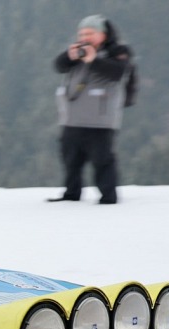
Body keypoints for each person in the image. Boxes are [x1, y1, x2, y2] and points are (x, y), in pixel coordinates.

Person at [49, 15, 133, 205]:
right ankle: (71, 194)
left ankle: (108, 198)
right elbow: (58, 66)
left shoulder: (117, 51)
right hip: (71, 119)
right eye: (81, 34)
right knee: (70, 160)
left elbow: (117, 72)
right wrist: (69, 56)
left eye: (89, 33)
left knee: (102, 161)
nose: (84, 37)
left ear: (103, 34)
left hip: (100, 121)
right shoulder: (78, 51)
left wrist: (93, 60)